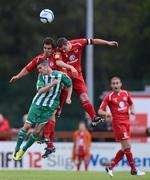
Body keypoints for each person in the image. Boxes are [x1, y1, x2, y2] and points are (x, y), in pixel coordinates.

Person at [10, 37, 76, 158]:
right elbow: (28, 68)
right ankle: (48, 143)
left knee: (52, 118)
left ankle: (48, 142)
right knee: (49, 120)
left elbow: (68, 68)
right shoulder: (39, 59)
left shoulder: (58, 56)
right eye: (45, 48)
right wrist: (18, 76)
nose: (46, 50)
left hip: (57, 95)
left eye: (49, 48)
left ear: (53, 48)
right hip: (44, 96)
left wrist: (70, 71)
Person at [55, 37, 118, 123]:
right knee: (64, 85)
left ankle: (94, 117)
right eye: (62, 50)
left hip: (77, 75)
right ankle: (59, 108)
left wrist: (107, 42)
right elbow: (58, 62)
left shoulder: (78, 43)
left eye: (65, 49)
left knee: (84, 96)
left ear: (67, 44)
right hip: (66, 73)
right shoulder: (59, 50)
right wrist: (70, 67)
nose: (64, 51)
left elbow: (94, 41)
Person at [98, 76, 145, 176]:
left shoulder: (126, 93)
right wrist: (106, 114)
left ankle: (110, 168)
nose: (115, 85)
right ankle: (134, 170)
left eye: (117, 83)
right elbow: (100, 110)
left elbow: (131, 104)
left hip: (127, 123)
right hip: (118, 124)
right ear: (111, 85)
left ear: (120, 84)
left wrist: (132, 110)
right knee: (127, 146)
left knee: (125, 148)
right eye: (113, 84)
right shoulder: (109, 96)